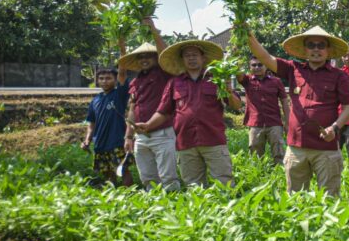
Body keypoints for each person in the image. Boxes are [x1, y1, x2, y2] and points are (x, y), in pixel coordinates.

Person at [247, 26, 349, 197]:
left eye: (321, 45)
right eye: (311, 45)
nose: (316, 49)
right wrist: (248, 35)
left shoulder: (339, 76)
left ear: (328, 50)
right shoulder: (292, 69)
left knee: (329, 198)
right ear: (305, 49)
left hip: (326, 148)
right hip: (297, 147)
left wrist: (334, 128)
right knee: (295, 198)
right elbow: (264, 57)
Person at [134, 39, 242, 187]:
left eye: (194, 55)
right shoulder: (174, 83)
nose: (191, 58)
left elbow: (236, 105)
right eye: (187, 55)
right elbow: (164, 111)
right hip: (186, 142)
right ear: (182, 60)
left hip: (213, 139)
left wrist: (229, 90)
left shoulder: (216, 79)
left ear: (203, 58)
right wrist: (148, 125)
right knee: (194, 186)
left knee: (225, 183)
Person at [120, 17, 180, 191]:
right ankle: (154, 208)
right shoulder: (136, 81)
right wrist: (128, 136)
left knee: (168, 176)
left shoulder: (164, 73)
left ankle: (174, 207)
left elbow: (166, 54)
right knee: (147, 176)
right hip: (140, 137)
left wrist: (153, 30)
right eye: (140, 57)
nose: (144, 60)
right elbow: (132, 109)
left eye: (148, 56)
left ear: (156, 58)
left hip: (162, 133)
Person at [82, 59, 134, 187]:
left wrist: (122, 51)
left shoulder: (119, 95)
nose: (104, 81)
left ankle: (131, 195)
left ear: (115, 80)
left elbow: (122, 73)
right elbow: (91, 123)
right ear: (97, 81)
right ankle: (113, 194)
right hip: (100, 142)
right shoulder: (95, 100)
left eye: (108, 78)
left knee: (123, 170)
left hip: (117, 140)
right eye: (101, 78)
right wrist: (87, 140)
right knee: (107, 172)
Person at [238, 55, 287, 164]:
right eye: (253, 65)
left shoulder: (276, 81)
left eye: (260, 64)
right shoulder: (247, 80)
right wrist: (236, 55)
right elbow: (237, 73)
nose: (257, 67)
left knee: (279, 152)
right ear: (249, 67)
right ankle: (259, 176)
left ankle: (280, 175)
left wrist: (288, 122)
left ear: (266, 66)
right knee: (255, 155)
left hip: (274, 123)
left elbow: (284, 102)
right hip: (255, 123)